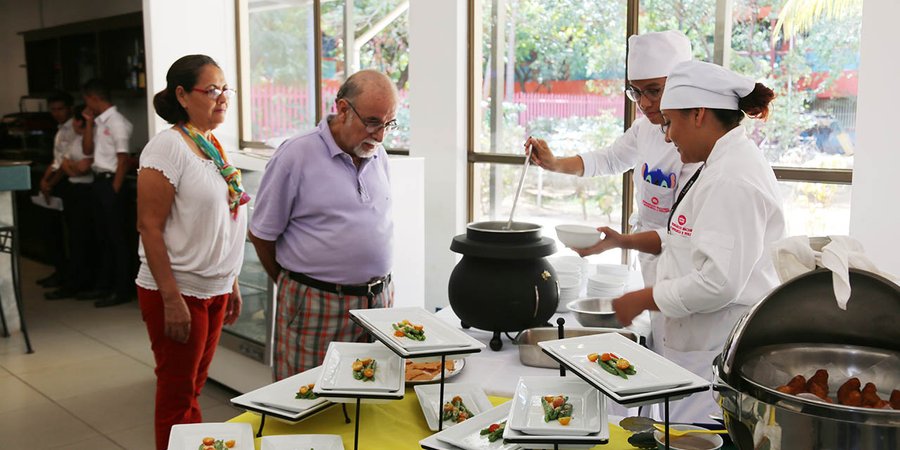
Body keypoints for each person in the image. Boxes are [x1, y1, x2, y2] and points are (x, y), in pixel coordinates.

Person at [575, 60, 785, 423]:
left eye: (670, 122)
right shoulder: (718, 164)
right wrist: (622, 241)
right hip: (694, 347)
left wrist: (643, 298)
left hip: (710, 352)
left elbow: (718, 283)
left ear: (699, 114)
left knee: (695, 437)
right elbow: (681, 239)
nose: (667, 137)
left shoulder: (732, 179)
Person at [249, 69, 398, 380]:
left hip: (378, 302)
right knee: (308, 398)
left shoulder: (377, 154)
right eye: (372, 122)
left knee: (372, 401)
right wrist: (295, 286)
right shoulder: (296, 155)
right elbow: (262, 234)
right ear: (342, 109)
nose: (381, 135)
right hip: (316, 303)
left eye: (388, 124)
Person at [525, 30, 699, 287]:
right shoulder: (646, 129)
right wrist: (554, 163)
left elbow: (689, 233)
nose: (644, 103)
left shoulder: (702, 144)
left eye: (654, 91)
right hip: (652, 257)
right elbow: (609, 159)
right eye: (636, 93)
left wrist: (621, 241)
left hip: (687, 264)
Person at [136, 54, 249, 450]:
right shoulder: (167, 148)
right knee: (178, 394)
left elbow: (219, 222)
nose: (223, 97)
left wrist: (230, 280)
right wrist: (170, 299)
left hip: (213, 287)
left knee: (193, 387)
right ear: (182, 95)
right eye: (212, 89)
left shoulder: (212, 143)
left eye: (225, 88)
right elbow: (149, 226)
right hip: (178, 290)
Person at [80, 78, 134, 307]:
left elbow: (123, 159)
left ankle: (121, 290)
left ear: (93, 98)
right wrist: (88, 123)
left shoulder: (117, 122)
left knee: (116, 239)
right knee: (102, 237)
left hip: (111, 183)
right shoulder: (100, 121)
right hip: (99, 180)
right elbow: (87, 150)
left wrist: (114, 190)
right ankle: (104, 286)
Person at [44, 104, 97, 300]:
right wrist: (71, 167)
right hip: (73, 189)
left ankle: (79, 282)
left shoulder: (89, 141)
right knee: (73, 239)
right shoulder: (75, 139)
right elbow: (65, 163)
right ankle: (72, 280)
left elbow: (82, 168)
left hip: (84, 191)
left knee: (80, 239)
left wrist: (71, 167)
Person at [36, 91, 77, 289]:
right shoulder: (60, 130)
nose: (56, 113)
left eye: (60, 109)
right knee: (52, 232)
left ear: (69, 108)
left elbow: (65, 164)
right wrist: (44, 180)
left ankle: (69, 276)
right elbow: (56, 159)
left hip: (67, 183)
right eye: (53, 110)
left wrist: (50, 183)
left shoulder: (74, 129)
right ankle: (59, 271)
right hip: (55, 181)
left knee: (68, 234)